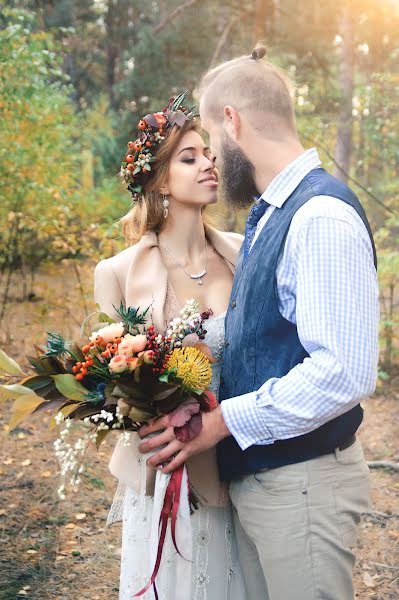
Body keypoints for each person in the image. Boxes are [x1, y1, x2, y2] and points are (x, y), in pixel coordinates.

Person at [139, 48, 380, 599]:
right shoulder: (272, 212)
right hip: (272, 485)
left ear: (232, 121)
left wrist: (224, 423)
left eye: (212, 146)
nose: (212, 164)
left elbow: (343, 372)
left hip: (304, 486)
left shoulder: (320, 216)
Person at [94, 95, 247, 599]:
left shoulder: (244, 253)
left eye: (208, 154)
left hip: (243, 461)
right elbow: (112, 384)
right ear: (157, 180)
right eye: (189, 157)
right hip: (168, 473)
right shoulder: (116, 273)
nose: (208, 163)